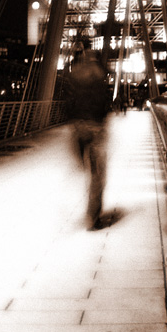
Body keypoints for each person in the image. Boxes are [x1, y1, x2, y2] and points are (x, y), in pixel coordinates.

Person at [65, 44, 110, 230]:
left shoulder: (74, 74)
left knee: (88, 168)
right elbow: (104, 103)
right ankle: (93, 216)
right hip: (95, 127)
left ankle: (83, 163)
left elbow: (67, 103)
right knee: (97, 174)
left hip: (78, 127)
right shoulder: (100, 75)